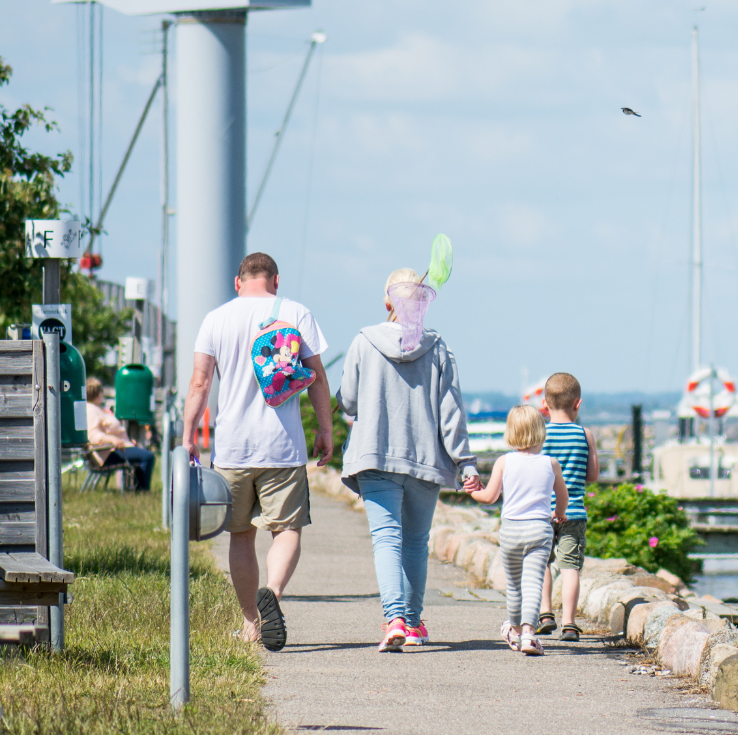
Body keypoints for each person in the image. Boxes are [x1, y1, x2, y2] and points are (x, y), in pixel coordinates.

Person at [183, 252, 332, 652]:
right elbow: (317, 378)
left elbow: (200, 383)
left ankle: (251, 621)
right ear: (275, 281)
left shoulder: (216, 319)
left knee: (241, 535)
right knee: (287, 529)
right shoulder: (297, 313)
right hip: (282, 447)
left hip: (232, 447)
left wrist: (188, 435)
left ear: (238, 282)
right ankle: (275, 595)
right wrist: (325, 428)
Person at [338, 267, 478, 652]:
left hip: (375, 455)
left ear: (388, 302)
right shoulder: (438, 348)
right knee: (416, 542)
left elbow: (347, 401)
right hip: (424, 458)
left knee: (387, 538)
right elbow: (451, 414)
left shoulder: (363, 342)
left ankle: (394, 618)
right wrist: (466, 462)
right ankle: (413, 624)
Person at [467, 405, 566, 656]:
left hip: (511, 530)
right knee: (534, 583)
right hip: (539, 531)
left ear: (510, 432)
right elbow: (562, 496)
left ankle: (513, 628)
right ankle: (529, 635)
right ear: (540, 431)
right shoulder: (550, 463)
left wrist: (472, 490)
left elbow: (490, 497)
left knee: (514, 586)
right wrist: (560, 514)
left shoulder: (504, 461)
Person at [533, 372, 597, 641]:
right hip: (573, 511)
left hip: (543, 512)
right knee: (570, 567)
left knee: (544, 563)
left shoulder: (540, 435)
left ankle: (546, 614)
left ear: (545, 405)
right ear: (577, 404)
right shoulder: (585, 434)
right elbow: (592, 476)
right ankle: (570, 624)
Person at [84, 378, 154, 491]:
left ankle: (137, 489)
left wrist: (126, 441)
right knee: (147, 457)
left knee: (143, 455)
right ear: (97, 394)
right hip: (108, 453)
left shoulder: (97, 409)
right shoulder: (91, 410)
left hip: (117, 448)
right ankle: (142, 491)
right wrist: (113, 440)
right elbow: (93, 436)